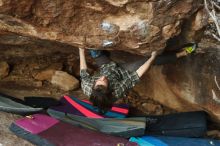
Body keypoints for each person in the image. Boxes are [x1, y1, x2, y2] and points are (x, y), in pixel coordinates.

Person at [79, 44, 197, 113]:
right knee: (148, 62)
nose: (103, 78)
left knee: (94, 50)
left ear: (93, 86)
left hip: (106, 67)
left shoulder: (87, 87)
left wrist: (81, 50)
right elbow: (138, 74)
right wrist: (152, 58)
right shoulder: (117, 91)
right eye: (105, 81)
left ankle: (103, 53)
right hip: (122, 72)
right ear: (110, 90)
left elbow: (83, 71)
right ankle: (181, 54)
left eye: (99, 80)